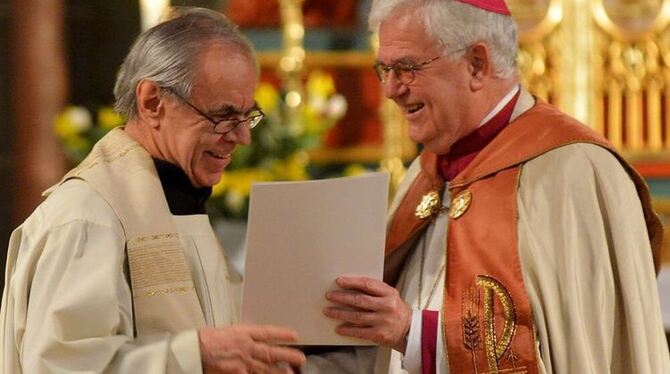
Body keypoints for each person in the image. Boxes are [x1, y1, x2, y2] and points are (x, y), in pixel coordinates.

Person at [308, 0, 670, 373]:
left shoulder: (570, 172)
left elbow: (574, 351)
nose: (390, 89)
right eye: (384, 69)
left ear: (477, 64)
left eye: (407, 68)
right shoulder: (425, 174)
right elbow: (382, 356)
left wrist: (412, 331)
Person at [0, 7, 306, 373]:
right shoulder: (88, 217)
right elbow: (59, 366)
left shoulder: (179, 202)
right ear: (152, 102)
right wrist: (194, 356)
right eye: (223, 116)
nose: (242, 137)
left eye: (248, 115)